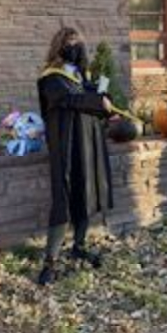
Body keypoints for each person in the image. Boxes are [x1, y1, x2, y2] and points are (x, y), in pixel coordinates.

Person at [36, 27, 114, 285]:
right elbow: (71, 99)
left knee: (86, 193)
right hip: (66, 148)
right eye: (70, 43)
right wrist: (97, 101)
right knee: (65, 199)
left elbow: (94, 99)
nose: (75, 47)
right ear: (59, 47)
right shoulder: (51, 79)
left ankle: (78, 246)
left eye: (78, 42)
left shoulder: (81, 75)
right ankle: (50, 262)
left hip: (87, 145)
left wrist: (105, 102)